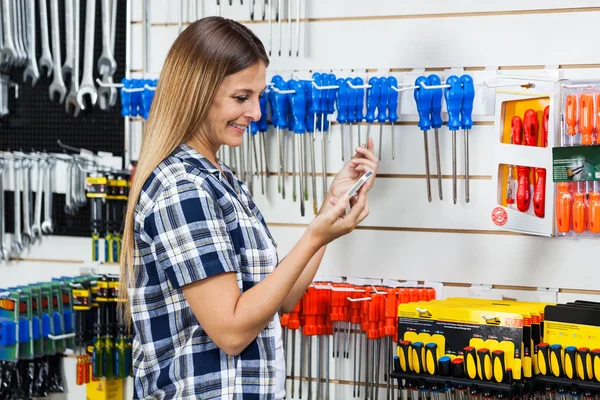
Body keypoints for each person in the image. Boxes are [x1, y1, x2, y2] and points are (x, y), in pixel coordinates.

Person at [119, 16, 378, 399]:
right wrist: (313, 236)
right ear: (197, 93)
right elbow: (232, 331)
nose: (256, 113)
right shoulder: (182, 189)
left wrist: (331, 209)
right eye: (242, 98)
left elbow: (281, 299)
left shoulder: (220, 180)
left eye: (258, 96)